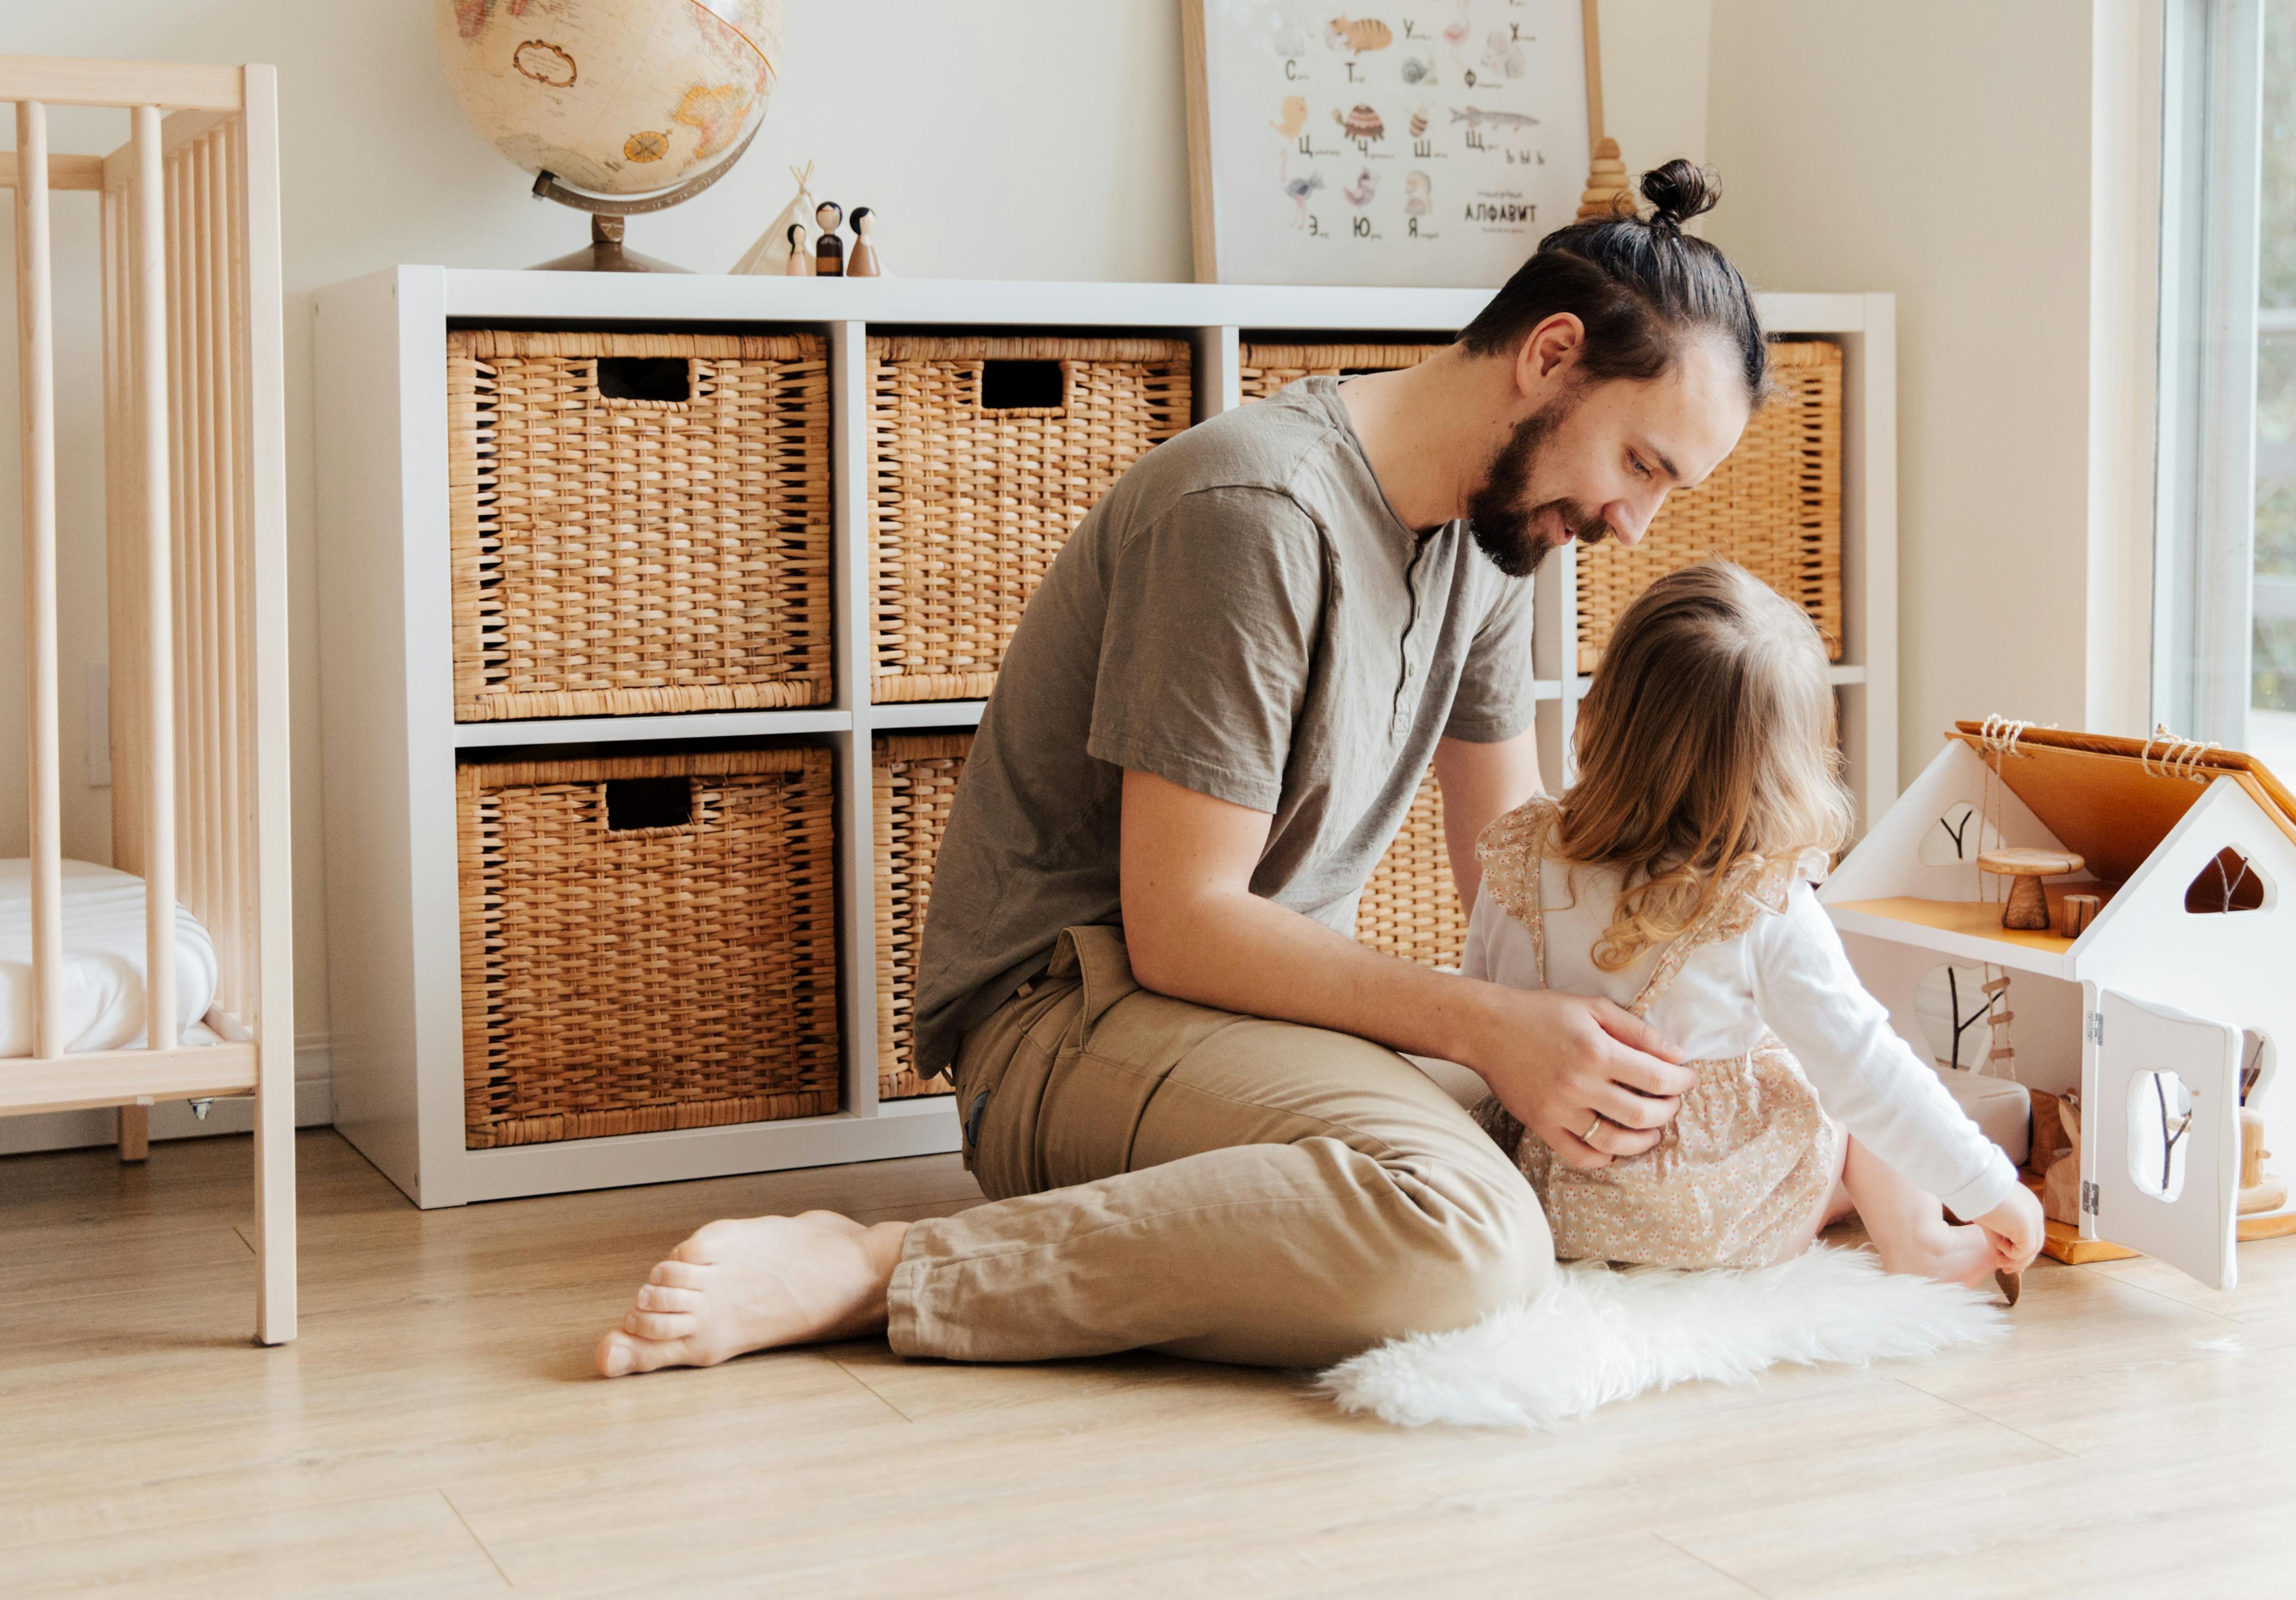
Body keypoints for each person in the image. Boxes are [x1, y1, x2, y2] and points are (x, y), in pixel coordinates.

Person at [598, 162, 1772, 1376]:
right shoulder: (1256, 510)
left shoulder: (1490, 538)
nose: (1633, 524)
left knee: (1630, 1124)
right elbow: (1181, 924)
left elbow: (1514, 870)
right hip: (1069, 1017)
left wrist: (1688, 1006)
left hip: (1257, 1021)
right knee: (1473, 1237)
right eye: (1641, 464)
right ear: (1551, 356)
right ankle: (886, 1265)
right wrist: (1493, 1032)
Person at [1464, 561, 2045, 1287]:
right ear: (1788, 768)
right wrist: (1994, 1188)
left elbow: (1479, 1009)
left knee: (1807, 1075)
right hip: (1706, 1217)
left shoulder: (1520, 854)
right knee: (1841, 1079)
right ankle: (1921, 1241)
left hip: (1551, 1196)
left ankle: (1845, 1201)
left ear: (1604, 710)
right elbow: (1869, 1072)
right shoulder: (1761, 901)